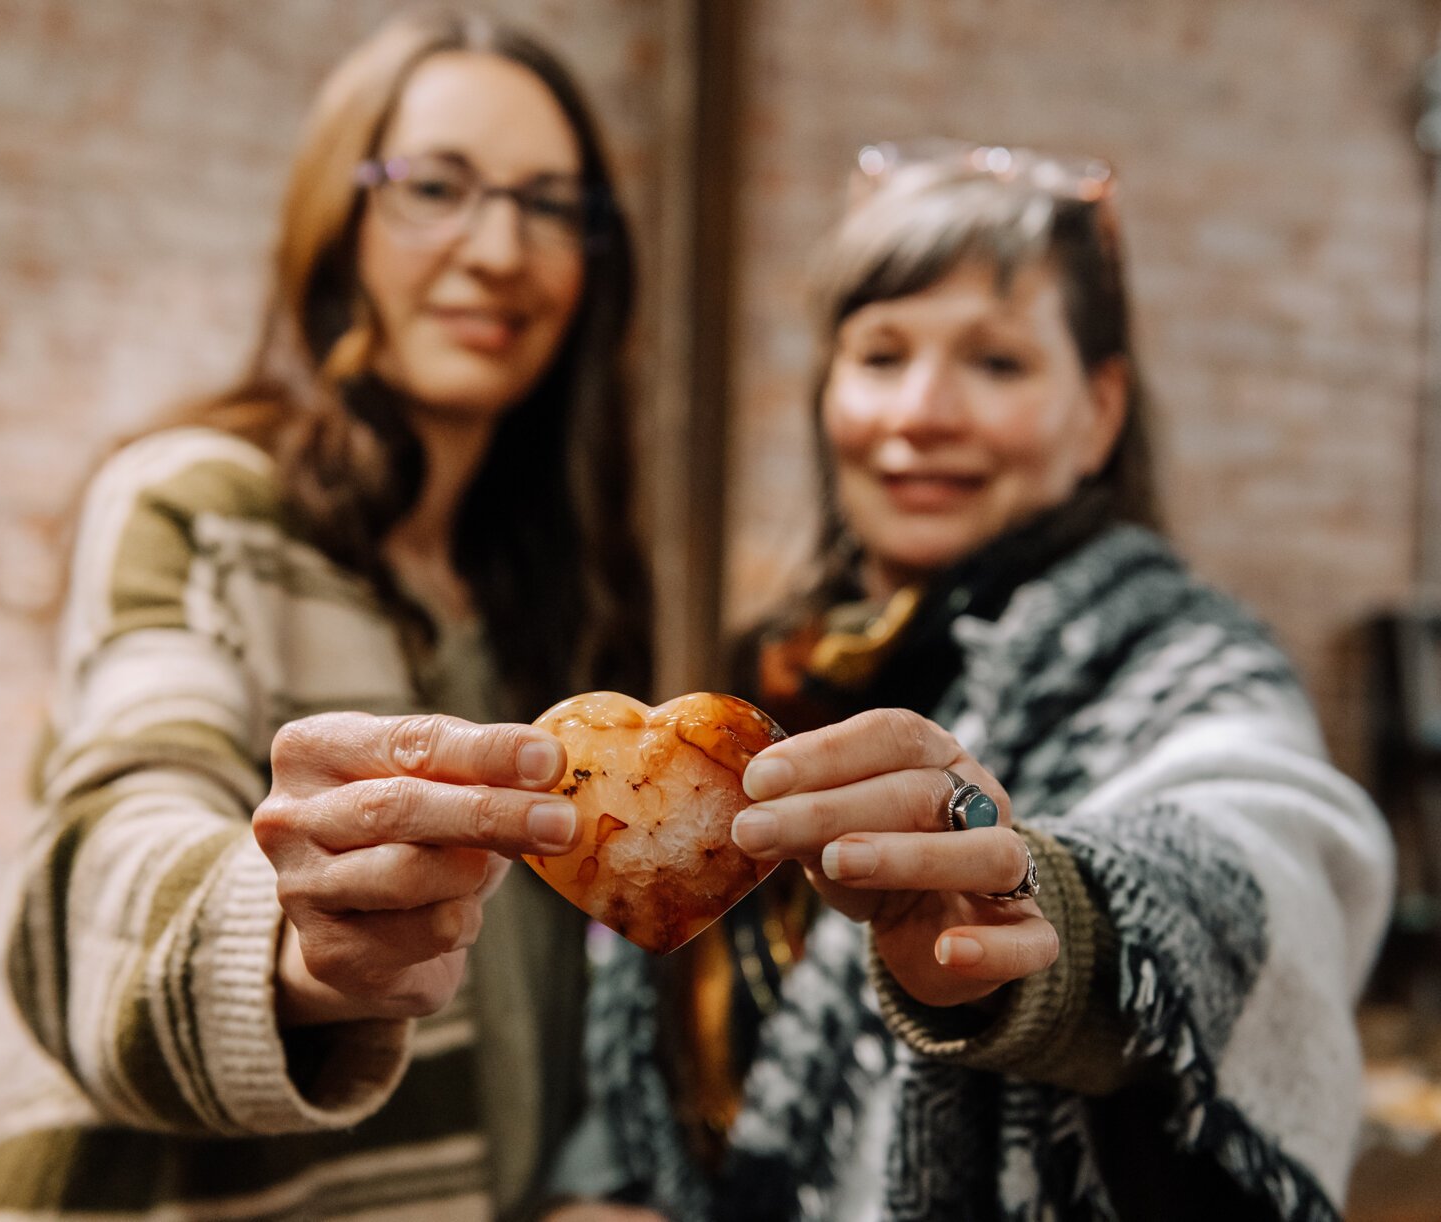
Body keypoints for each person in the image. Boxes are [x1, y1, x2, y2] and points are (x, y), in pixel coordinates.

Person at [553, 140, 1392, 1221]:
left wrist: (1039, 901)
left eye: (996, 363)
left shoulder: (1183, 659)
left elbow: (1263, 853)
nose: (920, 413)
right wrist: (597, 1186)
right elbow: (642, 971)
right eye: (880, 354)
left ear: (1099, 410)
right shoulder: (761, 680)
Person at [0, 11, 654, 1220]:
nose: (500, 248)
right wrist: (287, 946)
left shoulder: (564, 593)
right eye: (436, 186)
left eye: (551, 204)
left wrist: (575, 1184)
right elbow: (102, 856)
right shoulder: (200, 502)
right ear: (338, 221)